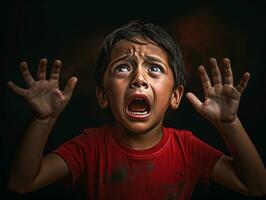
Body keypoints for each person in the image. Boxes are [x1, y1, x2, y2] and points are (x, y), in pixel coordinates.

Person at [7, 21, 266, 199]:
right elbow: (21, 183)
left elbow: (255, 186)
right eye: (122, 67)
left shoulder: (188, 149)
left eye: (154, 68)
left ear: (175, 96)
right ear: (103, 95)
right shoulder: (89, 147)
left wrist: (229, 124)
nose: (138, 78)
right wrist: (43, 120)